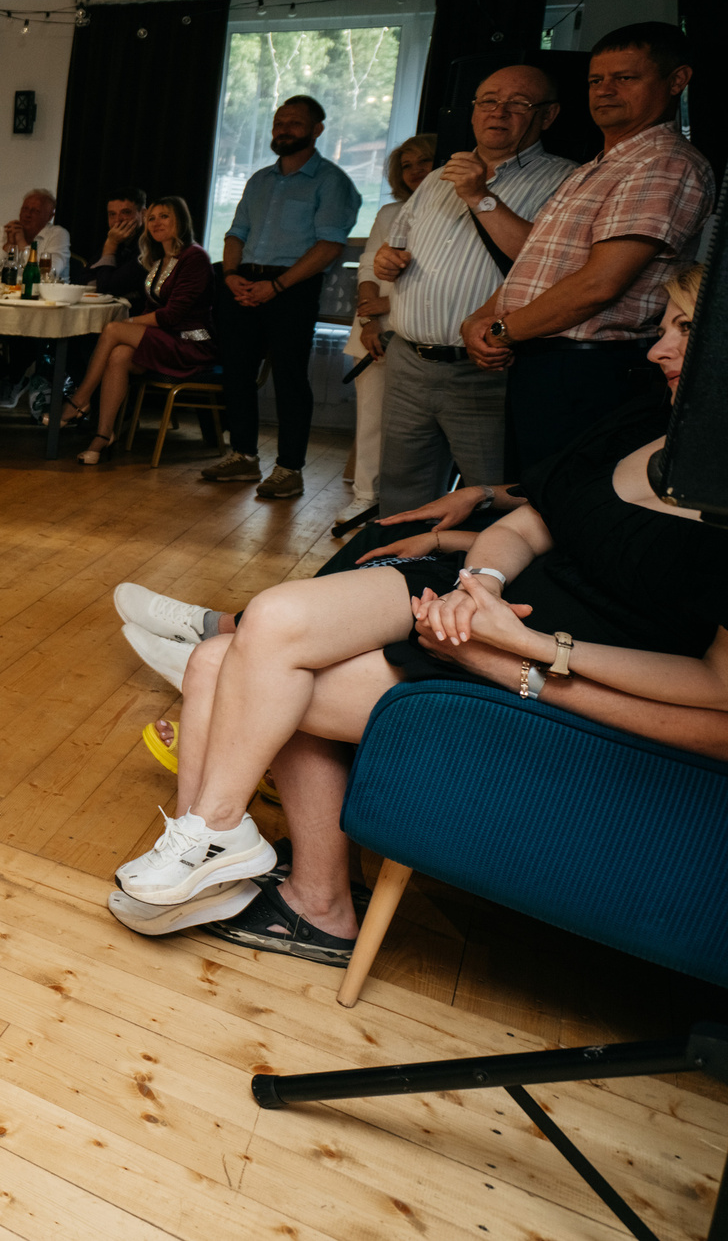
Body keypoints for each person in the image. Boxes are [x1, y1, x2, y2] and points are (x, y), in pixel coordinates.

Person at [105, 264, 727, 963]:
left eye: (686, 331)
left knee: (234, 664)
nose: (657, 349)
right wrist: (483, 582)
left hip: (567, 655)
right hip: (489, 604)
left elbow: (719, 690)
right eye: (668, 325)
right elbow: (529, 526)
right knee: (266, 628)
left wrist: (529, 647)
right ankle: (211, 844)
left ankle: (261, 873)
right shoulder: (652, 418)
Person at [460, 23, 714, 489]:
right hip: (549, 362)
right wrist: (483, 316)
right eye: (596, 81)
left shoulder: (663, 162)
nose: (605, 91)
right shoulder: (601, 164)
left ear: (676, 81)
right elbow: (541, 262)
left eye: (626, 78)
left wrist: (502, 330)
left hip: (589, 370)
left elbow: (600, 284)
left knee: (561, 506)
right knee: (530, 499)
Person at [370, 71, 580, 517]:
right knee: (402, 488)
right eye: (487, 101)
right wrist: (387, 260)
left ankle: (476, 583)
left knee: (489, 495)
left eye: (519, 103)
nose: (498, 112)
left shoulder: (567, 181)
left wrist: (479, 195)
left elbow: (548, 265)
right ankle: (396, 577)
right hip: (408, 360)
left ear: (549, 115)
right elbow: (398, 245)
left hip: (486, 370)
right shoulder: (437, 176)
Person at [201, 94, 363, 501]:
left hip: (292, 288)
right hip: (243, 284)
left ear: (316, 130)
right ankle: (243, 456)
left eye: (294, 122)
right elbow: (236, 233)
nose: (283, 129)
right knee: (236, 372)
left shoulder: (331, 181)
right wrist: (233, 275)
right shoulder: (260, 180)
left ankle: (289, 469)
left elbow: (329, 246)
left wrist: (276, 287)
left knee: (290, 378)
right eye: (278, 122)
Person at [49, 195, 213, 465]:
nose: (156, 223)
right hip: (166, 337)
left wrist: (130, 324)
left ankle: (80, 399)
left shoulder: (194, 257)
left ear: (181, 221)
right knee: (119, 355)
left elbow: (172, 315)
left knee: (114, 330)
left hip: (191, 341)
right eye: (152, 218)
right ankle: (102, 436)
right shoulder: (157, 258)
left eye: (165, 216)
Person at [344, 134, 438, 514]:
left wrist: (387, 304)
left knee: (417, 431)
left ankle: (411, 506)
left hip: (426, 330)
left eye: (425, 162)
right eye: (407, 165)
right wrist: (370, 318)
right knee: (371, 420)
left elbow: (442, 279)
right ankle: (365, 498)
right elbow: (368, 266)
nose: (416, 171)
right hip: (374, 330)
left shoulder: (457, 214)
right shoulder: (388, 214)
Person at [0, 187, 74, 406]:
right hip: (3, 302)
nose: (27, 214)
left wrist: (23, 244)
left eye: (35, 210)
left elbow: (50, 271)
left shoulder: (58, 234)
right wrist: (8, 246)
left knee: (23, 328)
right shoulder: (6, 231)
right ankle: (5, 378)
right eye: (25, 208)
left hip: (43, 308)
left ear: (50, 215)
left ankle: (13, 379)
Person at [83, 186, 151, 307]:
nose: (117, 220)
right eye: (112, 214)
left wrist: (110, 246)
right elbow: (85, 278)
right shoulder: (116, 240)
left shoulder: (149, 245)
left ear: (144, 214)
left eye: (126, 212)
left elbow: (107, 289)